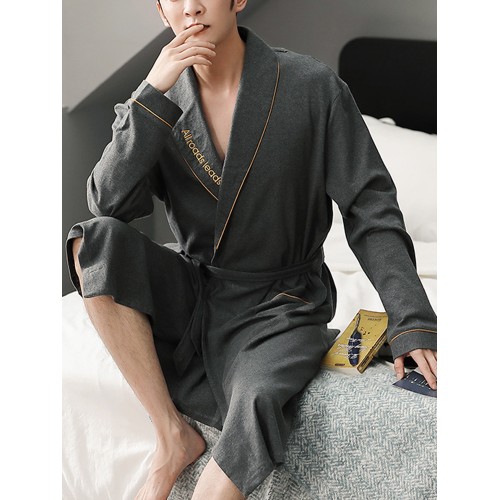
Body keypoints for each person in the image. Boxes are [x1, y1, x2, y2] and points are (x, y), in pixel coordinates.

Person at [66, 0, 438, 498]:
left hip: (283, 304)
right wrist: (151, 94)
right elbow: (107, 203)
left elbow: (370, 210)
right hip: (199, 293)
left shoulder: (310, 86)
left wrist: (412, 320)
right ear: (160, 10)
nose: (191, 7)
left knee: (258, 397)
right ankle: (171, 434)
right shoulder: (158, 99)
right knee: (92, 241)